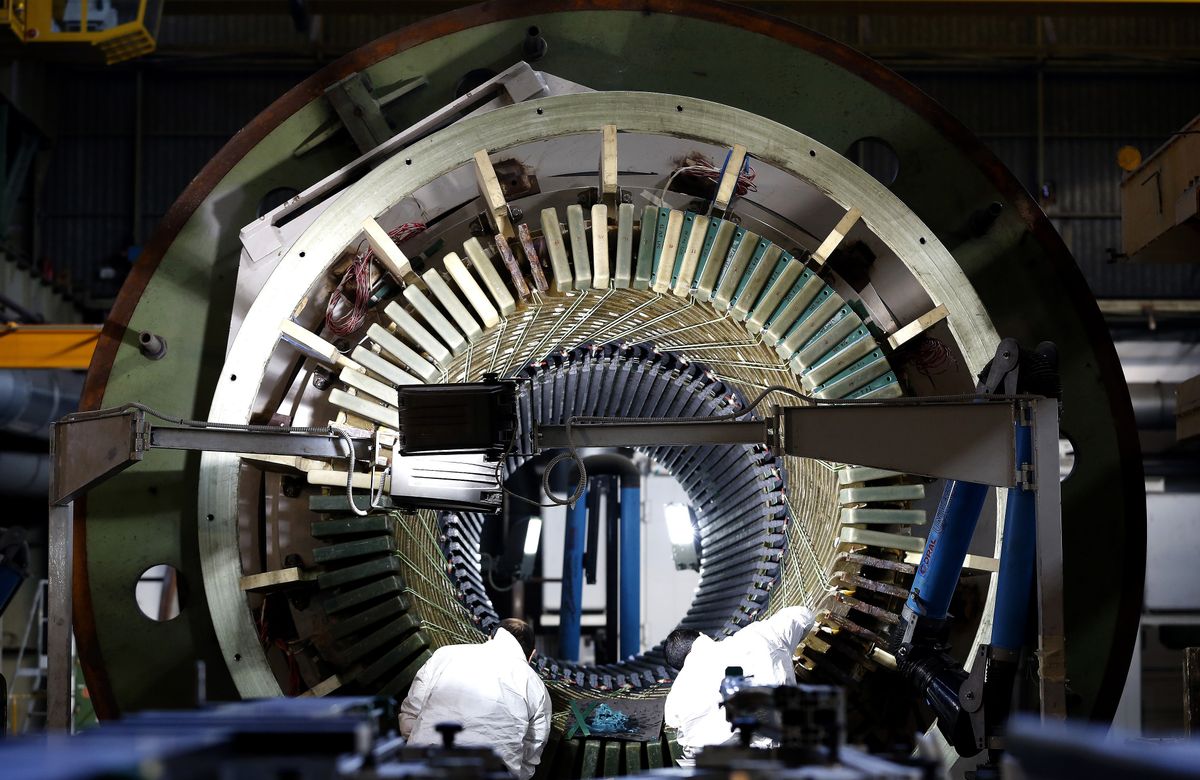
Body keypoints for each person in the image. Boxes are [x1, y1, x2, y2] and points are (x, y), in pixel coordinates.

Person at [399, 618, 551, 779]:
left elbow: (410, 716)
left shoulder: (445, 654)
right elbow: (532, 751)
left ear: (490, 638)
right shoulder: (535, 684)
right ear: (532, 655)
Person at [663, 606, 815, 763]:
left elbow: (675, 724)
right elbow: (804, 616)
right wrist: (788, 648)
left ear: (680, 668)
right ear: (702, 636)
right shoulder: (758, 635)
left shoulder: (675, 698)